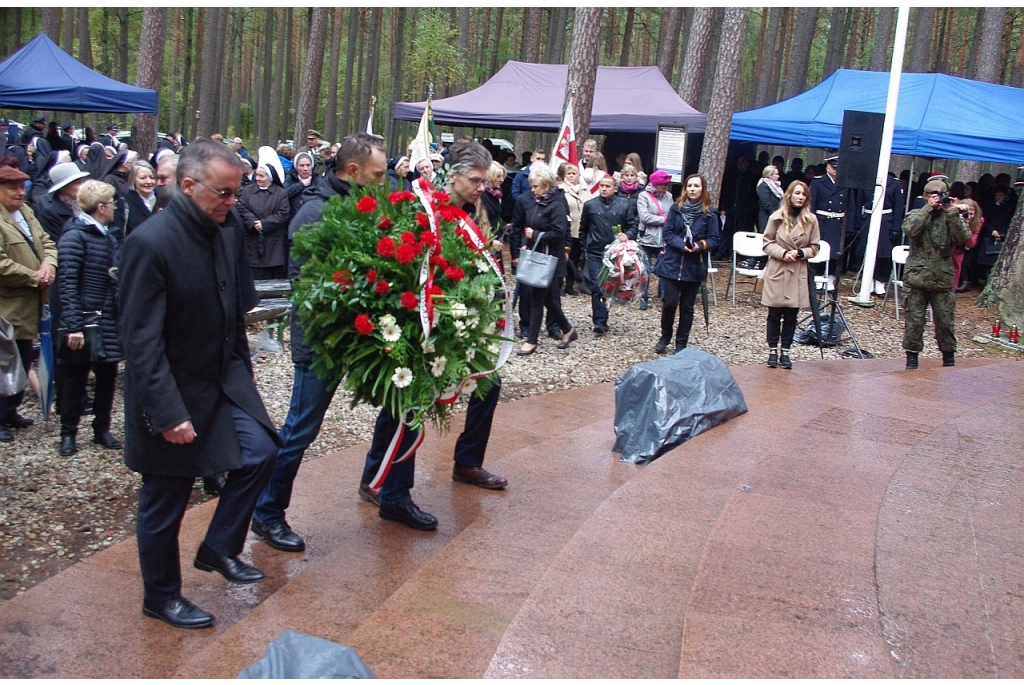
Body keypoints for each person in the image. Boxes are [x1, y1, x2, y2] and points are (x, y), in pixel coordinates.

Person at [119, 139, 280, 629]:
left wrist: (241, 375)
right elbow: (141, 342)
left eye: (236, 193)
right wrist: (168, 413)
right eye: (225, 193)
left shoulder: (226, 230)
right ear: (187, 186)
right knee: (166, 495)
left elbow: (237, 308)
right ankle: (161, 595)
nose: (234, 202)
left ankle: (218, 546)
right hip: (171, 389)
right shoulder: (149, 244)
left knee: (262, 450)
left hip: (223, 378)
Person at [250, 133, 388, 551]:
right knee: (300, 429)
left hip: (359, 333)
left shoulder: (358, 203)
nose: (383, 183)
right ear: (352, 171)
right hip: (323, 342)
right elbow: (308, 287)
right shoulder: (314, 212)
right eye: (377, 175)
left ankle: (383, 485)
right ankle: (267, 512)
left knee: (398, 406)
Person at [55, 181, 123, 456]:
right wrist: (74, 325)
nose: (116, 206)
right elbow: (68, 283)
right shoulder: (74, 236)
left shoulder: (107, 235)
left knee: (107, 375)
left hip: (107, 317)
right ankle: (68, 433)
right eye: (112, 202)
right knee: (75, 379)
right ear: (101, 207)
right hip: (84, 319)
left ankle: (101, 429)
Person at [0, 166, 57, 442]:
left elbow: (47, 242)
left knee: (22, 357)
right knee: (3, 360)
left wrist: (49, 265)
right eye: (13, 188)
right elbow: (1, 263)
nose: (20, 192)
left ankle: (11, 410)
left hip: (31, 303)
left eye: (23, 187)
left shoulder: (27, 213)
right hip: (6, 305)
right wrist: (34, 276)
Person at [901, 178, 971, 370]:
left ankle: (949, 359)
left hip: (942, 279)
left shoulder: (951, 216)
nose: (939, 199)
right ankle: (912, 359)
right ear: (925, 197)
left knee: (945, 322)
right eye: (934, 196)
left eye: (941, 195)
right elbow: (910, 229)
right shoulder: (916, 214)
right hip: (917, 278)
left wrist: (952, 213)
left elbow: (964, 237)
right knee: (914, 322)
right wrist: (928, 209)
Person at [654, 173, 719, 354]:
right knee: (669, 303)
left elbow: (714, 240)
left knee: (687, 307)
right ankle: (665, 336)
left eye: (696, 186)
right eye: (690, 186)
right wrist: (681, 245)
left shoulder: (710, 214)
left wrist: (699, 246)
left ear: (702, 189)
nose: (692, 189)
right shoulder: (676, 209)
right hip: (672, 263)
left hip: (693, 266)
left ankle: (681, 342)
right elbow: (667, 234)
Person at [516, 164, 577, 356]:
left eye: (535, 186)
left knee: (537, 300)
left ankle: (531, 341)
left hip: (550, 260)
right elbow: (528, 227)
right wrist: (528, 241)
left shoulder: (557, 204)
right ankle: (567, 330)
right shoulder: (538, 202)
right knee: (548, 300)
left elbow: (559, 233)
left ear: (545, 185)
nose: (532, 190)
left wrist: (535, 235)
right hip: (539, 257)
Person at [761, 181, 821, 370]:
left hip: (797, 270)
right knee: (774, 313)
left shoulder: (811, 220)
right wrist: (782, 253)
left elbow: (815, 246)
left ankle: (786, 351)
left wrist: (801, 253)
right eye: (797, 193)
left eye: (803, 194)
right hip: (778, 268)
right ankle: (772, 350)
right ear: (789, 195)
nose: (800, 197)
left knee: (791, 314)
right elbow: (766, 242)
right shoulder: (776, 217)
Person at [579, 175, 638, 335]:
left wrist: (627, 235)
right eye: (602, 186)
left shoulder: (624, 205)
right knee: (596, 286)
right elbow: (583, 228)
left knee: (610, 286)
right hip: (595, 252)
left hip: (616, 254)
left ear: (614, 188)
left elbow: (633, 225)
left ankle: (605, 311)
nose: (604, 188)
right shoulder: (590, 205)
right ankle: (599, 321)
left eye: (607, 186)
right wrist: (585, 248)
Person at [237, 165, 291, 280]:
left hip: (274, 244)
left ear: (270, 177)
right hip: (252, 240)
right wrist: (254, 222)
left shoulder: (281, 193)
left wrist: (264, 224)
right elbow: (241, 207)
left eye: (261, 176)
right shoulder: (247, 191)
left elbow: (283, 213)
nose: (258, 178)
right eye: (257, 175)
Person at [636, 169, 673, 310]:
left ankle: (664, 297)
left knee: (665, 269)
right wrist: (664, 219)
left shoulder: (668, 196)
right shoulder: (643, 196)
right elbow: (644, 217)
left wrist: (663, 220)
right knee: (645, 269)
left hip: (663, 239)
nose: (666, 186)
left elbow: (671, 214)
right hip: (646, 238)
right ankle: (643, 297)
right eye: (663, 184)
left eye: (667, 184)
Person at [808, 155, 847, 288]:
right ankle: (818, 276)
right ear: (827, 167)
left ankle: (830, 278)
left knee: (834, 253)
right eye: (832, 167)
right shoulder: (818, 182)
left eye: (837, 167)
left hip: (837, 222)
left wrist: (851, 226)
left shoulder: (845, 183)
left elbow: (850, 205)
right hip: (821, 221)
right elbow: (811, 204)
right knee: (819, 249)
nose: (835, 170)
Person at [557, 162, 591, 296]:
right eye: (569, 174)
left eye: (574, 174)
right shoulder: (560, 189)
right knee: (563, 258)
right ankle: (559, 284)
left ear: (578, 175)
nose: (571, 176)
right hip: (566, 229)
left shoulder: (585, 190)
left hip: (580, 229)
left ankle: (570, 285)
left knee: (575, 258)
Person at [953, 199, 982, 293]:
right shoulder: (950, 217)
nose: (968, 216)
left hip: (958, 252)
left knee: (952, 282)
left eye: (972, 214)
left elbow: (971, 243)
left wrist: (965, 225)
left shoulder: (977, 222)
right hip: (943, 250)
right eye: (966, 212)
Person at [123, 161, 158, 236]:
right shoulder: (124, 203)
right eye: (143, 178)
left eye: (152, 177)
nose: (149, 181)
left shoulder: (162, 200)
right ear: (133, 180)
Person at [285, 151, 322, 217]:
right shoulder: (290, 179)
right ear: (296, 167)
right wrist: (300, 185)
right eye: (301, 166)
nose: (305, 169)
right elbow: (283, 194)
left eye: (308, 165)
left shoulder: (318, 181)